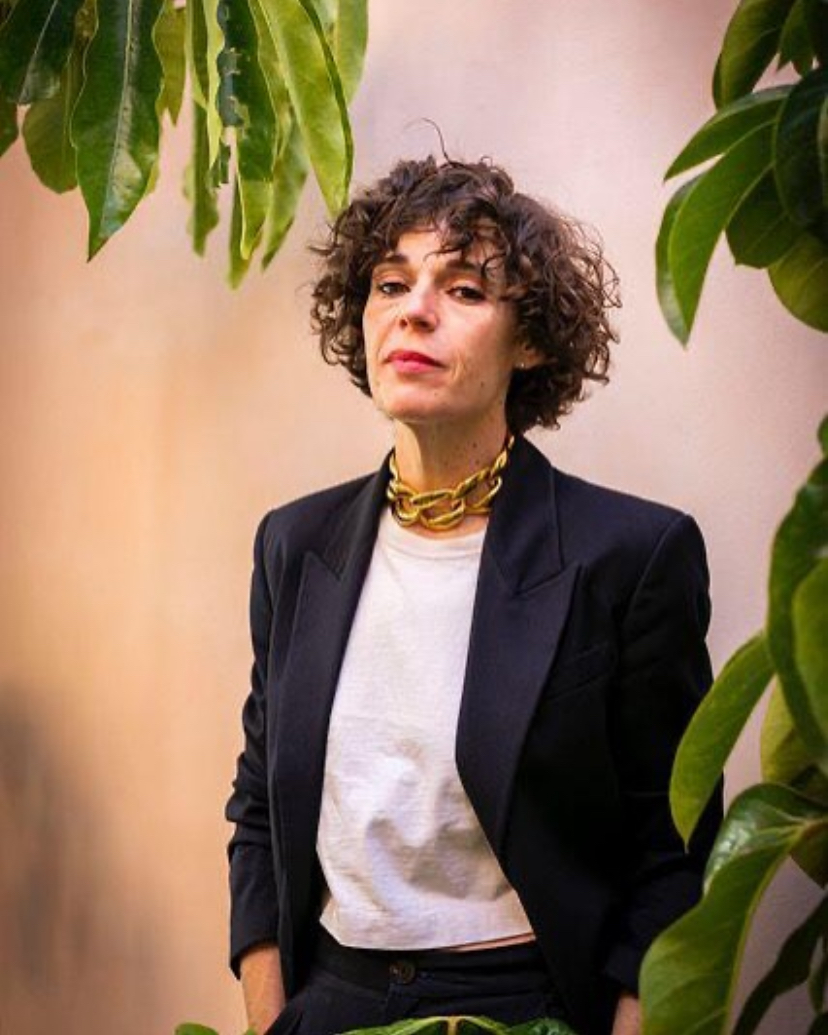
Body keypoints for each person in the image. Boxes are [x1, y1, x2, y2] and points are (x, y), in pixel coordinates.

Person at [225, 156, 722, 1035]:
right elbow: (259, 808)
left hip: (528, 1004)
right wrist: (272, 1018)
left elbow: (672, 854)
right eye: (390, 283)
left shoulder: (633, 556)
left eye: (463, 289)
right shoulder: (294, 545)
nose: (413, 309)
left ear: (530, 341)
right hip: (331, 1000)